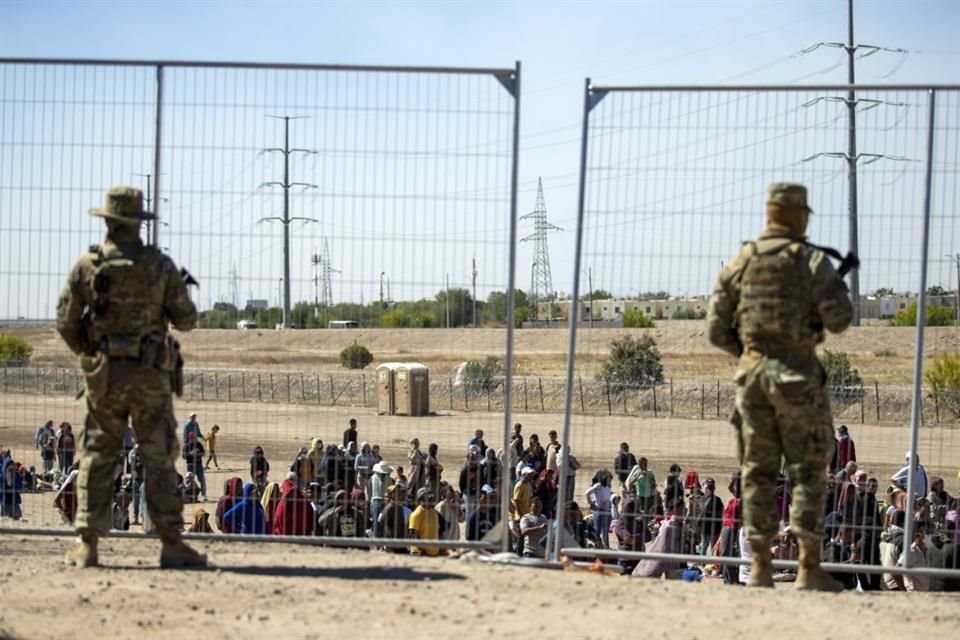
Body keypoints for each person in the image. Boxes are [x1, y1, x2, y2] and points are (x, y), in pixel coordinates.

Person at [707, 182, 853, 591]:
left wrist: (750, 355)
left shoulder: (743, 261)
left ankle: (759, 568)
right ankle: (807, 568)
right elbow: (840, 318)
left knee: (757, 472)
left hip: (752, 383)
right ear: (799, 215)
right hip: (797, 379)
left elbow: (716, 328)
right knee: (807, 470)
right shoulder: (809, 261)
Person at [55, 186, 206, 569]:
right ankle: (171, 542)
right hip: (150, 377)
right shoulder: (159, 266)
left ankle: (88, 544)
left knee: (98, 456)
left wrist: (92, 354)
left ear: (107, 220)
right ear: (139, 223)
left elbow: (65, 321)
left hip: (104, 376)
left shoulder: (88, 266)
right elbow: (187, 319)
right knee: (158, 458)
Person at [408, 487, 440, 556]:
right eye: (429, 496)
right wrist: (422, 551)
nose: (431, 498)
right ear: (421, 499)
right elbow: (413, 535)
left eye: (432, 495)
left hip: (433, 553)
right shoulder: (417, 514)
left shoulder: (434, 513)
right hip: (419, 554)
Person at [182, 432, 206, 500]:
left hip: (199, 465)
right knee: (189, 481)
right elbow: (184, 456)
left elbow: (203, 453)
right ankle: (189, 495)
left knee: (202, 480)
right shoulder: (186, 446)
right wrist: (190, 453)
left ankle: (203, 494)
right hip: (190, 465)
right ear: (189, 438)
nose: (193, 439)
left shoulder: (198, 445)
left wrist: (198, 454)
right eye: (192, 438)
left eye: (194, 438)